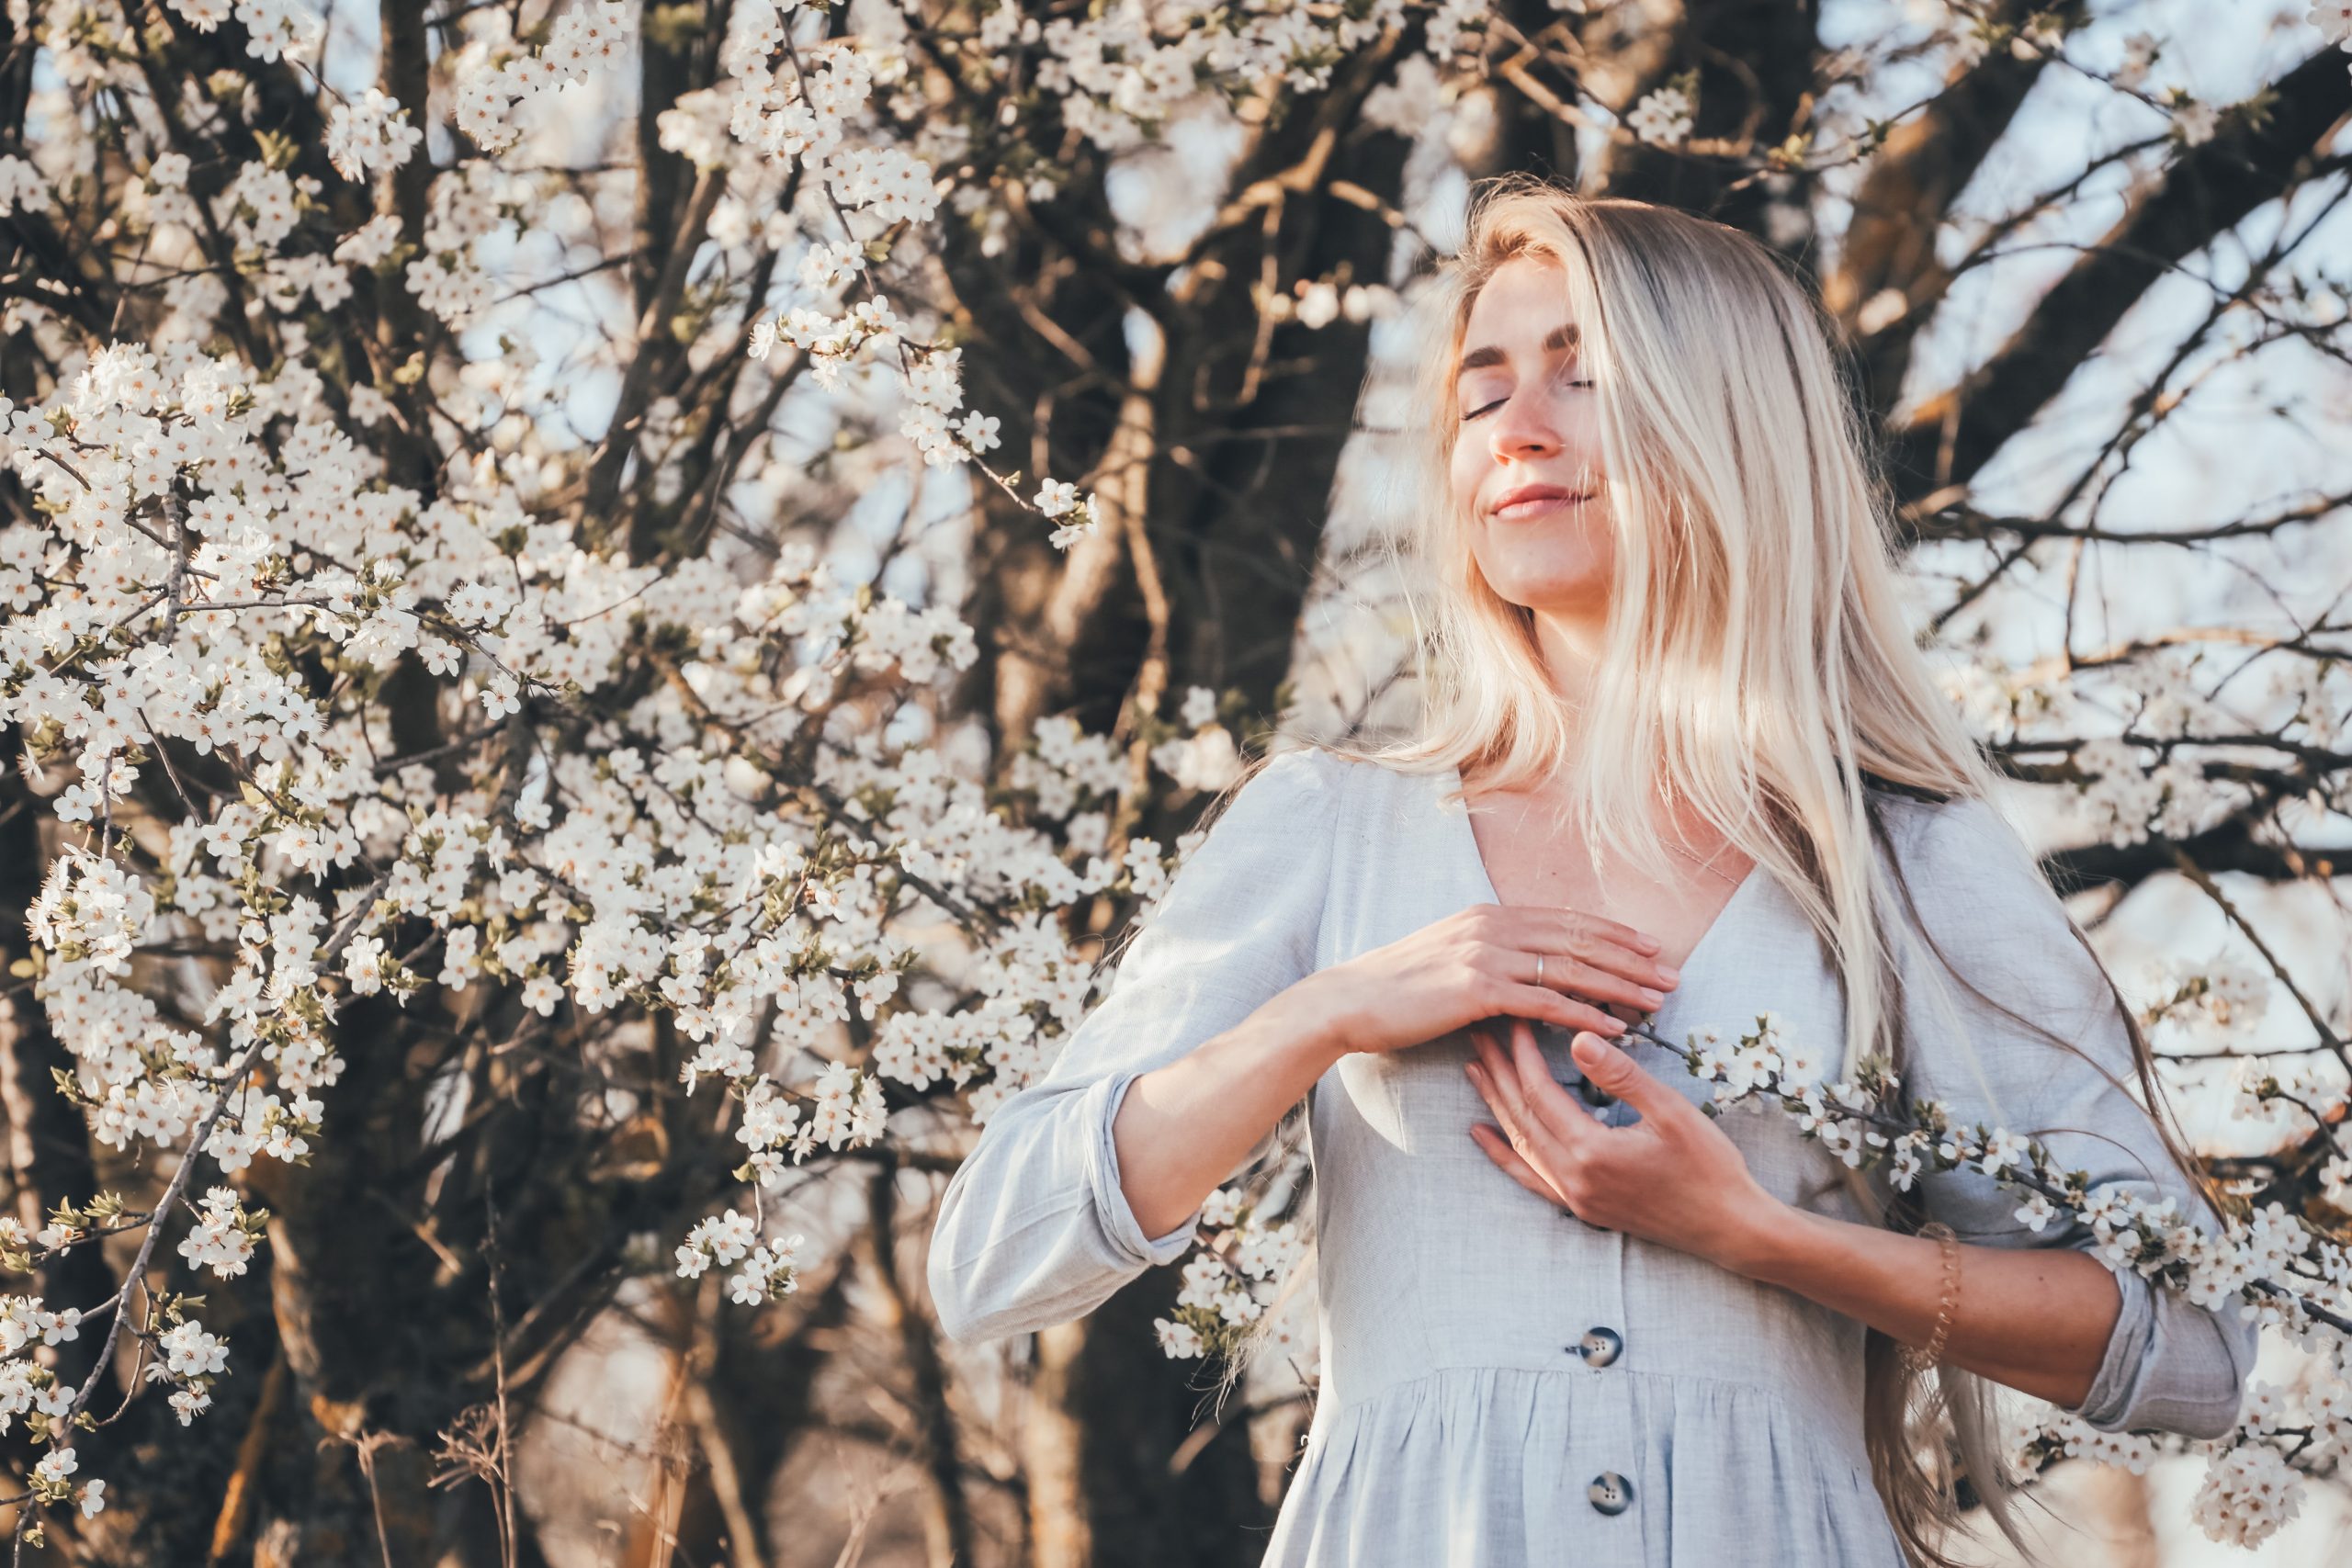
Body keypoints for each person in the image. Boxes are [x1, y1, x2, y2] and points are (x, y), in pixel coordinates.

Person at [925, 175, 2259, 1568]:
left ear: (1731, 424)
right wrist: (1327, 1011)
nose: (1521, 429)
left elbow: (2194, 1348)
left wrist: (1761, 1236)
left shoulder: (1909, 859)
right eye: (1483, 389)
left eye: (1587, 374)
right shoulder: (1327, 827)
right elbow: (992, 1261)